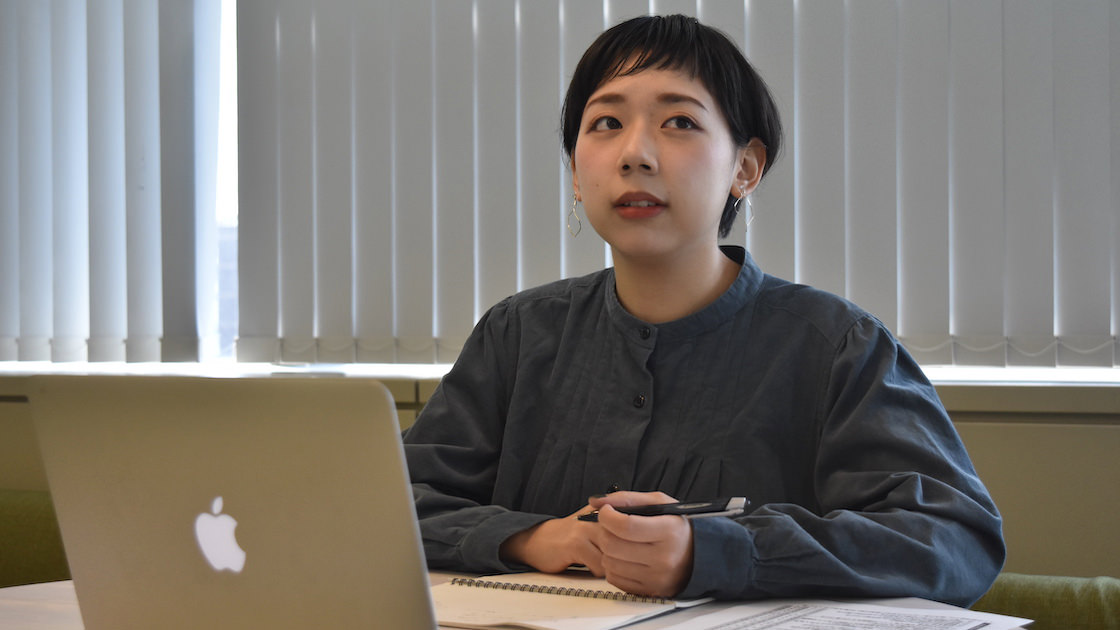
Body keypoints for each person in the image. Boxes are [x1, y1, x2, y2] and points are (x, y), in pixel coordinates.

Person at [402, 14, 1004, 607]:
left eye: (680, 122)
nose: (635, 154)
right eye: (606, 123)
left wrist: (712, 550)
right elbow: (392, 500)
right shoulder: (517, 334)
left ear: (745, 168)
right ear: (577, 175)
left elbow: (953, 538)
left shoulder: (838, 346)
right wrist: (532, 538)